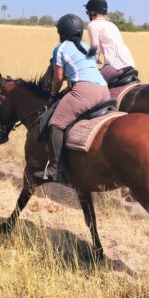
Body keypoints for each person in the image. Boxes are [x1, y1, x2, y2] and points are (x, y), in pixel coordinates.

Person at [35, 13, 110, 184]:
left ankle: (54, 169)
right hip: (104, 90)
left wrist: (53, 95)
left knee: (56, 124)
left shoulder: (60, 48)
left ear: (61, 33)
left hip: (84, 91)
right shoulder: (85, 46)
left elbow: (58, 78)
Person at [84, 0, 138, 84]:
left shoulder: (93, 25)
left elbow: (95, 50)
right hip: (130, 64)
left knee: (88, 84)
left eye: (87, 12)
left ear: (93, 12)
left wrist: (87, 61)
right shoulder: (112, 25)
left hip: (114, 67)